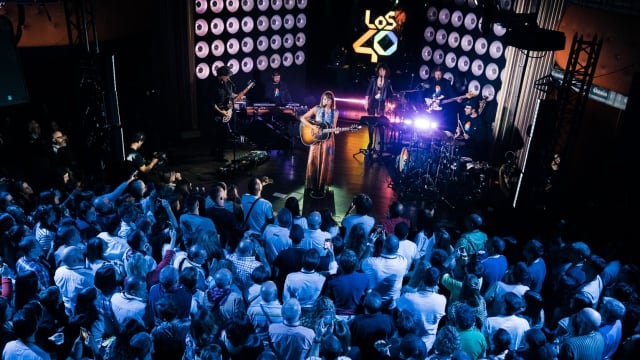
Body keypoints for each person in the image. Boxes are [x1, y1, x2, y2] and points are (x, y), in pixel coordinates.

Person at [299, 90, 339, 198]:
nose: (326, 101)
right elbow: (302, 118)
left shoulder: (335, 112)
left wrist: (337, 130)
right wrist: (312, 127)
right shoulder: (317, 109)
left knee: (325, 162)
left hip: (327, 140)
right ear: (322, 99)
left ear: (332, 101)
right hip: (316, 139)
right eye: (325, 99)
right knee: (313, 161)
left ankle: (321, 185)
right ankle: (313, 184)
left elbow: (334, 127)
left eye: (329, 99)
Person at [363, 62, 394, 153]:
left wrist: (388, 104)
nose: (382, 72)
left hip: (381, 103)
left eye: (383, 70)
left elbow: (389, 94)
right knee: (371, 123)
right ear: (378, 71)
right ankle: (370, 141)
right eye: (380, 70)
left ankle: (382, 144)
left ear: (386, 72)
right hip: (372, 102)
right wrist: (366, 102)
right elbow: (368, 91)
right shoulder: (373, 79)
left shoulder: (387, 81)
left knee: (381, 123)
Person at [210, 65, 235, 162]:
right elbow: (211, 103)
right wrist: (222, 112)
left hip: (223, 111)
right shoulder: (213, 85)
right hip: (216, 113)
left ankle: (216, 152)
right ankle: (218, 155)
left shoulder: (224, 84)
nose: (229, 78)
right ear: (221, 75)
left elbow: (228, 95)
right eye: (227, 76)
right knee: (220, 134)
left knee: (222, 134)